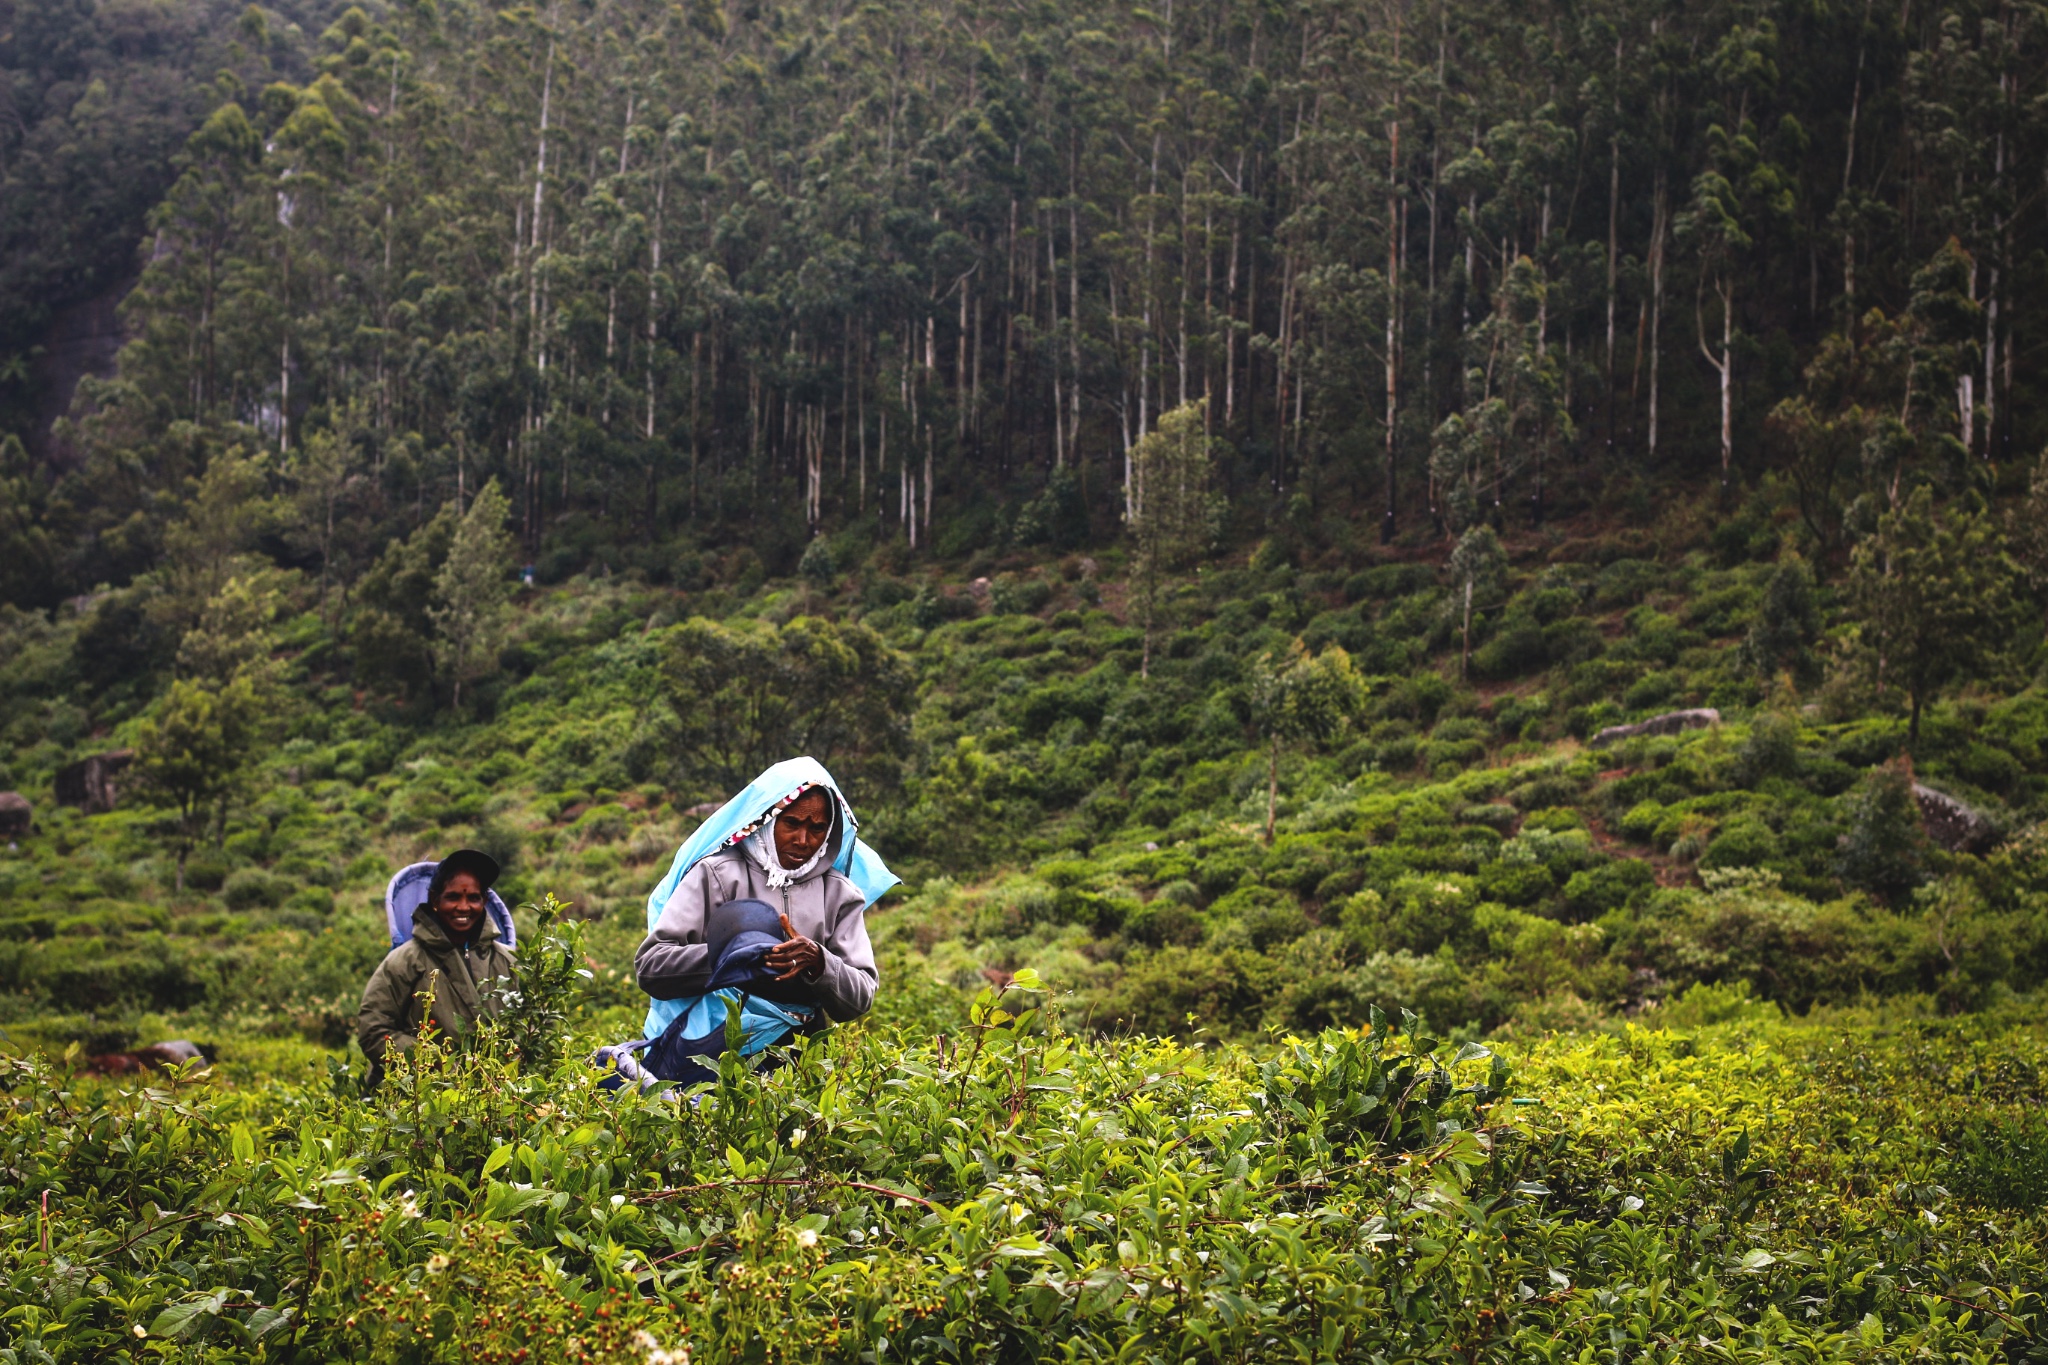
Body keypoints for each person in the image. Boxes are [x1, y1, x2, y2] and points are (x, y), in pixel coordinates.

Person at [611, 758, 896, 1087]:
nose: (804, 840)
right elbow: (652, 967)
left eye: (817, 828)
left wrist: (819, 962)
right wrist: (734, 957)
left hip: (798, 1061)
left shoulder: (838, 895)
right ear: (768, 818)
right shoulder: (716, 875)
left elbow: (859, 998)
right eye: (792, 823)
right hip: (710, 1053)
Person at [358, 848, 516, 1085]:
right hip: (417, 1105)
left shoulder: (507, 961)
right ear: (434, 900)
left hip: (495, 1103)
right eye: (453, 897)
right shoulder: (406, 960)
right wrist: (435, 1062)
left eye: (473, 898)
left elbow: (533, 1026)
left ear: (483, 901)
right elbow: (374, 1029)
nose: (463, 907)